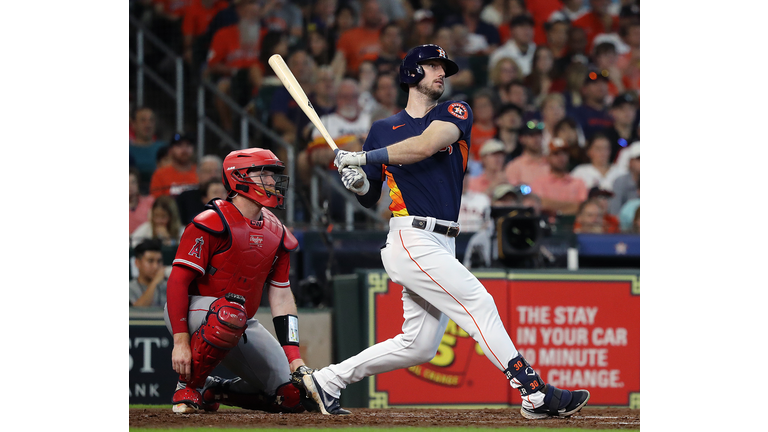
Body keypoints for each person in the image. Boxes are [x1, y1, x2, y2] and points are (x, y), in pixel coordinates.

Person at [305, 44, 590, 419]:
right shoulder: (381, 129)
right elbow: (370, 195)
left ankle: (328, 380)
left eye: (443, 67)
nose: (442, 73)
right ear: (411, 73)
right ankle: (533, 391)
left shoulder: (454, 112)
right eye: (433, 66)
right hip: (411, 237)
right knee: (479, 302)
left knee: (419, 345)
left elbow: (423, 147)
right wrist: (356, 181)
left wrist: (362, 157)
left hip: (443, 240)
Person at [164, 148, 312, 414]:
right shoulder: (210, 222)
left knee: (290, 394)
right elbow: (177, 283)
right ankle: (188, 386)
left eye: (273, 174)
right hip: (193, 311)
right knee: (229, 314)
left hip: (240, 320)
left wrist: (294, 357)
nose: (272, 181)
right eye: (265, 173)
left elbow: (282, 297)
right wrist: (180, 340)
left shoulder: (277, 232)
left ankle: (215, 390)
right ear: (239, 177)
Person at [528, 137, 588, 215]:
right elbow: (541, 205)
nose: (561, 157)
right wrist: (571, 205)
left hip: (572, 224)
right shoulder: (539, 182)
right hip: (546, 224)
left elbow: (582, 208)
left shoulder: (578, 182)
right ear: (548, 157)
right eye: (556, 154)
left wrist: (552, 206)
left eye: (564, 153)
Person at [335, 0, 385, 77]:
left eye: (377, 11)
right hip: (357, 79)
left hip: (385, 77)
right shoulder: (348, 36)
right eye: (370, 10)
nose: (374, 14)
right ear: (362, 13)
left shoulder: (389, 35)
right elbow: (339, 65)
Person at [175, 154, 225, 224]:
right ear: (198, 174)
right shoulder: (185, 198)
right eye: (208, 171)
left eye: (217, 171)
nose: (213, 175)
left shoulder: (231, 197)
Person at [149, 133, 199, 198]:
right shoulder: (160, 175)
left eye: (188, 145)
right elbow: (157, 202)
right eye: (179, 145)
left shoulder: (200, 173)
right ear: (170, 151)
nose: (184, 149)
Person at [503, 119, 550, 187]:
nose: (536, 138)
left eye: (539, 135)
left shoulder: (551, 162)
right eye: (531, 135)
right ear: (522, 139)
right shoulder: (515, 167)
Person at [130, 106, 167, 188]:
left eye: (151, 120)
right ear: (133, 124)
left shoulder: (164, 149)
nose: (148, 124)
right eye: (143, 120)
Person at [602, 92, 639, 163]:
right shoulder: (606, 136)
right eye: (622, 109)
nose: (627, 112)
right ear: (612, 112)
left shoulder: (639, 135)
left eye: (631, 108)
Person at [130, 239, 168, 308]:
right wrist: (155, 281)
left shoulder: (167, 286)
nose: (156, 266)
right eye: (150, 261)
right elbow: (136, 311)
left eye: (159, 261)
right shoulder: (130, 288)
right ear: (137, 263)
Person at [130, 167, 156, 236]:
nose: (130, 186)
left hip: (146, 240)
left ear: (138, 184)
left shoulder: (150, 202)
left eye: (133, 182)